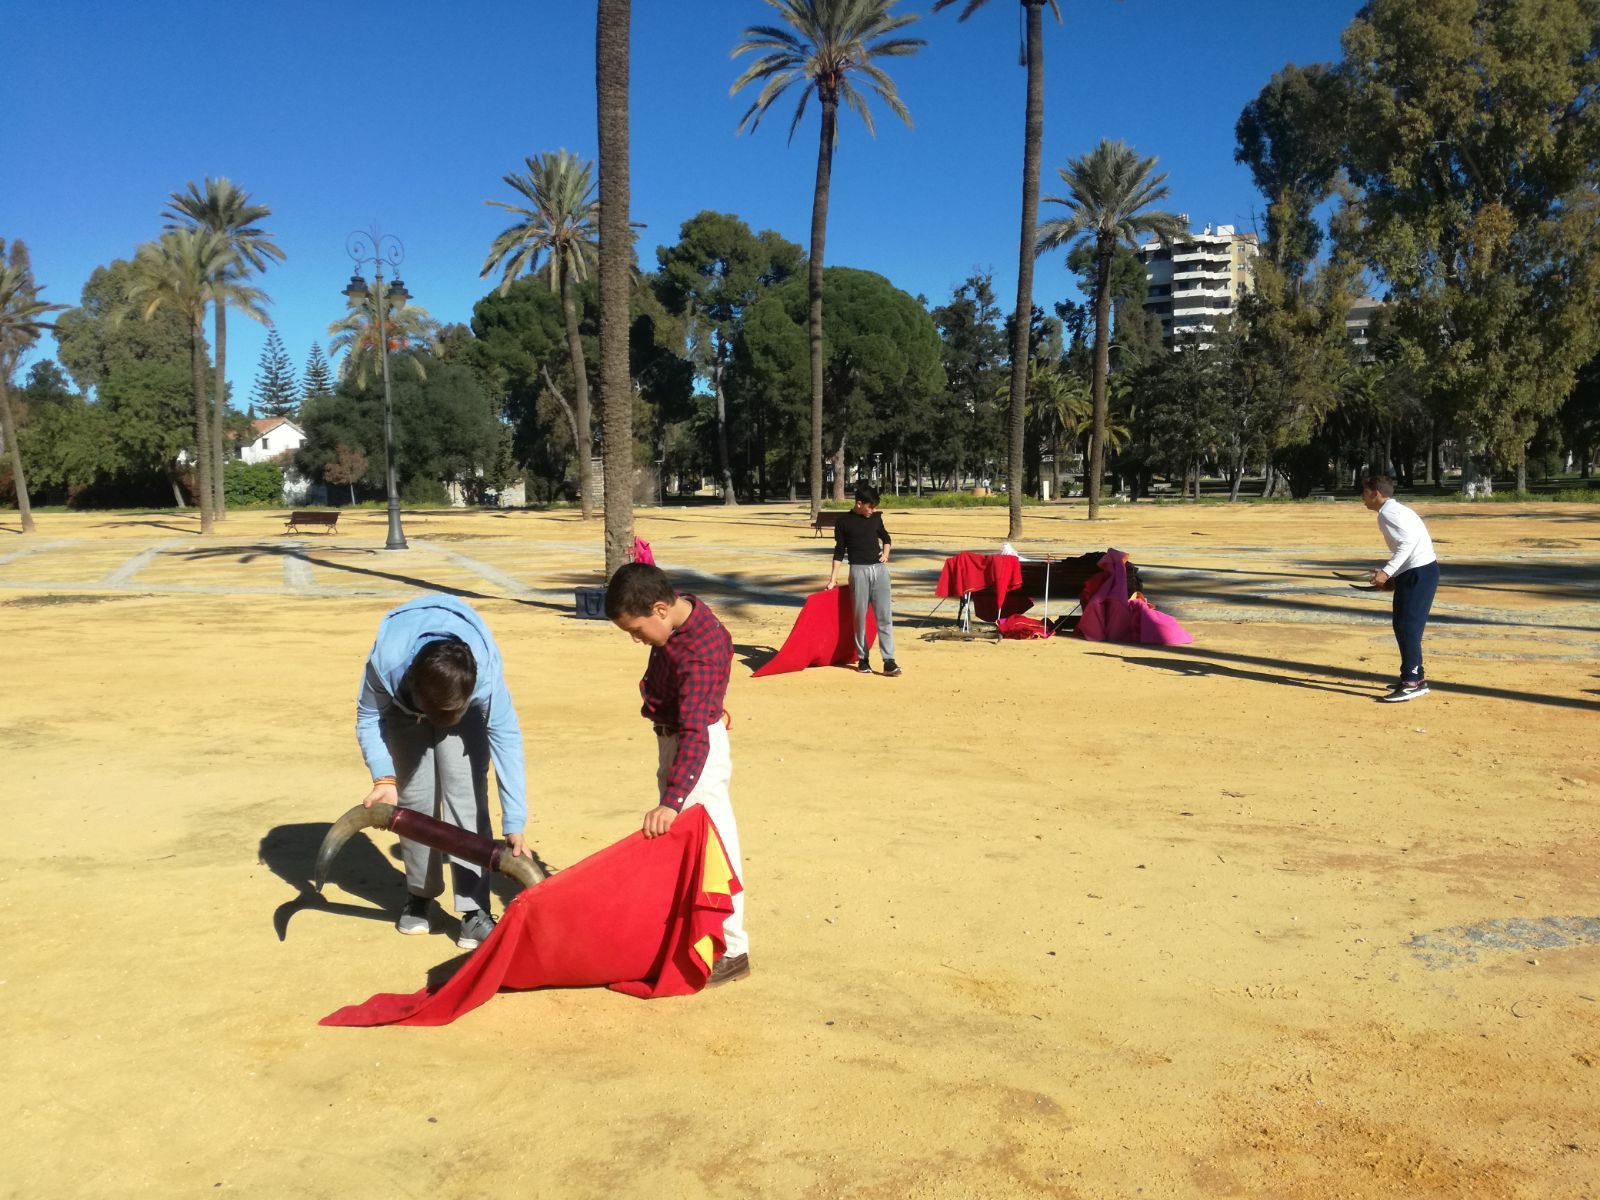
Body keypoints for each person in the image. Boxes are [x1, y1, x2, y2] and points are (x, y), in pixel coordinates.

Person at [355, 594, 532, 949]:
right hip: (405, 706)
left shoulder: (483, 675)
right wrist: (383, 778)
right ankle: (420, 896)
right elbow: (368, 716)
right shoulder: (386, 661)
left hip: (456, 701)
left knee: (465, 796)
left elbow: (506, 737)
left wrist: (515, 822)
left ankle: (474, 910)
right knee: (413, 800)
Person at [605, 562, 750, 986]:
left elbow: (696, 734)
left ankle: (733, 948)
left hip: (695, 753)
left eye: (637, 630)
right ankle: (699, 935)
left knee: (715, 850)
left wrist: (672, 800)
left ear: (660, 609)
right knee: (690, 851)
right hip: (681, 742)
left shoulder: (700, 651)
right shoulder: (676, 614)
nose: (637, 640)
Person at [1361, 475, 1440, 702]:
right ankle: (1417, 678)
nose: (1362, 498)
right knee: (1405, 625)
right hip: (1419, 571)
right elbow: (1411, 542)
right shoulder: (1395, 510)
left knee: (1407, 627)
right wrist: (1394, 574)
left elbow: (1408, 542)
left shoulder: (1388, 513)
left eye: (1364, 492)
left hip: (1420, 572)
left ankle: (1411, 683)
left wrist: (1387, 572)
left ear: (1376, 493)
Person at [825, 482, 901, 677]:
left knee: (884, 616)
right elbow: (839, 551)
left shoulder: (876, 518)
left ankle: (889, 660)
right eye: (870, 506)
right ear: (859, 503)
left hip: (880, 571)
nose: (872, 510)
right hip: (858, 571)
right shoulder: (843, 522)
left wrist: (886, 553)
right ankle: (863, 658)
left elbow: (886, 537)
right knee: (859, 617)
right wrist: (833, 579)